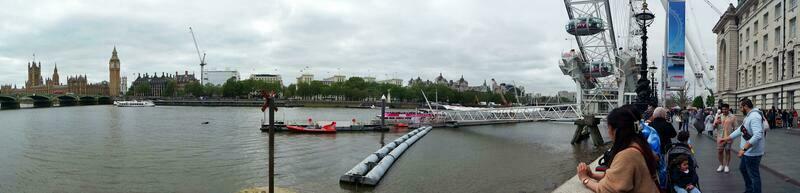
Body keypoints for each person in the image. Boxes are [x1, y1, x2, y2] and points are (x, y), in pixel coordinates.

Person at [576, 105, 660, 193]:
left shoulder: (628, 155)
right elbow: (619, 178)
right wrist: (592, 175)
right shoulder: (640, 145)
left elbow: (605, 190)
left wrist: (584, 178)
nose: (608, 133)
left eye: (608, 128)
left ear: (615, 130)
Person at [719, 98, 766, 193]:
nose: (740, 109)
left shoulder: (754, 117)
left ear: (746, 106)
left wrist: (744, 149)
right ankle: (749, 190)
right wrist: (727, 138)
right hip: (748, 152)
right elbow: (741, 129)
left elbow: (758, 135)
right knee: (743, 169)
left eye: (741, 107)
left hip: (752, 153)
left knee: (753, 175)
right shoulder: (749, 116)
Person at [713, 103, 734, 173]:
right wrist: (716, 123)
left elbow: (736, 127)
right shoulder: (718, 116)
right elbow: (714, 127)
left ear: (728, 109)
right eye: (723, 109)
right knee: (720, 151)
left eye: (725, 109)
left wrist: (733, 136)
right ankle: (721, 165)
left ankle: (727, 165)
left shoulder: (732, 117)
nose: (724, 110)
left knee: (727, 150)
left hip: (728, 137)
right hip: (720, 137)